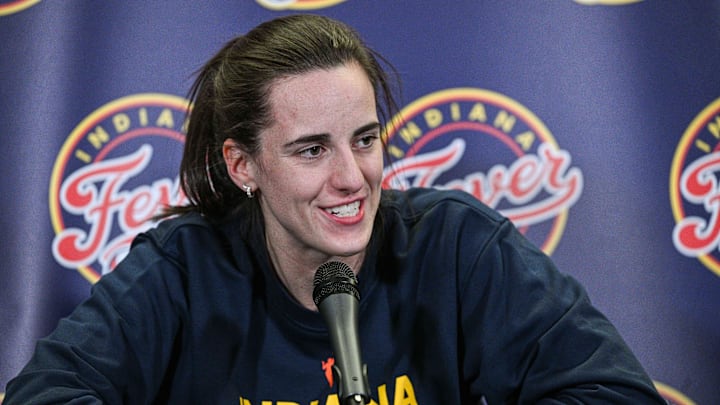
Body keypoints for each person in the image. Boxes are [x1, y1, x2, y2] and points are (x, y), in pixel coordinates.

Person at [5, 14, 665, 404]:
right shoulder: (183, 269)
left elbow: (616, 394)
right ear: (243, 166)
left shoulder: (457, 246)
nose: (353, 178)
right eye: (312, 149)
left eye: (366, 139)